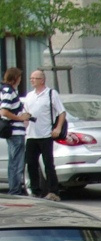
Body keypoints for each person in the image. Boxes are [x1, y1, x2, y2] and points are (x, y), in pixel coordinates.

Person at [20, 70, 65, 201]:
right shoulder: (29, 96)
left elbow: (61, 112)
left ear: (42, 80)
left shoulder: (51, 94)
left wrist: (58, 128)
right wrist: (24, 120)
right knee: (31, 164)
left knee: (48, 164)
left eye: (35, 78)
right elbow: (25, 114)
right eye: (31, 78)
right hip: (31, 135)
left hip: (46, 134)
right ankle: (35, 190)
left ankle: (53, 191)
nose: (32, 80)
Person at [1, 68, 25, 196]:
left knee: (13, 162)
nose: (21, 80)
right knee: (16, 163)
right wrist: (20, 118)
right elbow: (4, 112)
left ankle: (14, 189)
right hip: (16, 133)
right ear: (15, 78)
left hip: (14, 133)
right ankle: (15, 191)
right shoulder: (9, 91)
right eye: (19, 77)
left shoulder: (6, 90)